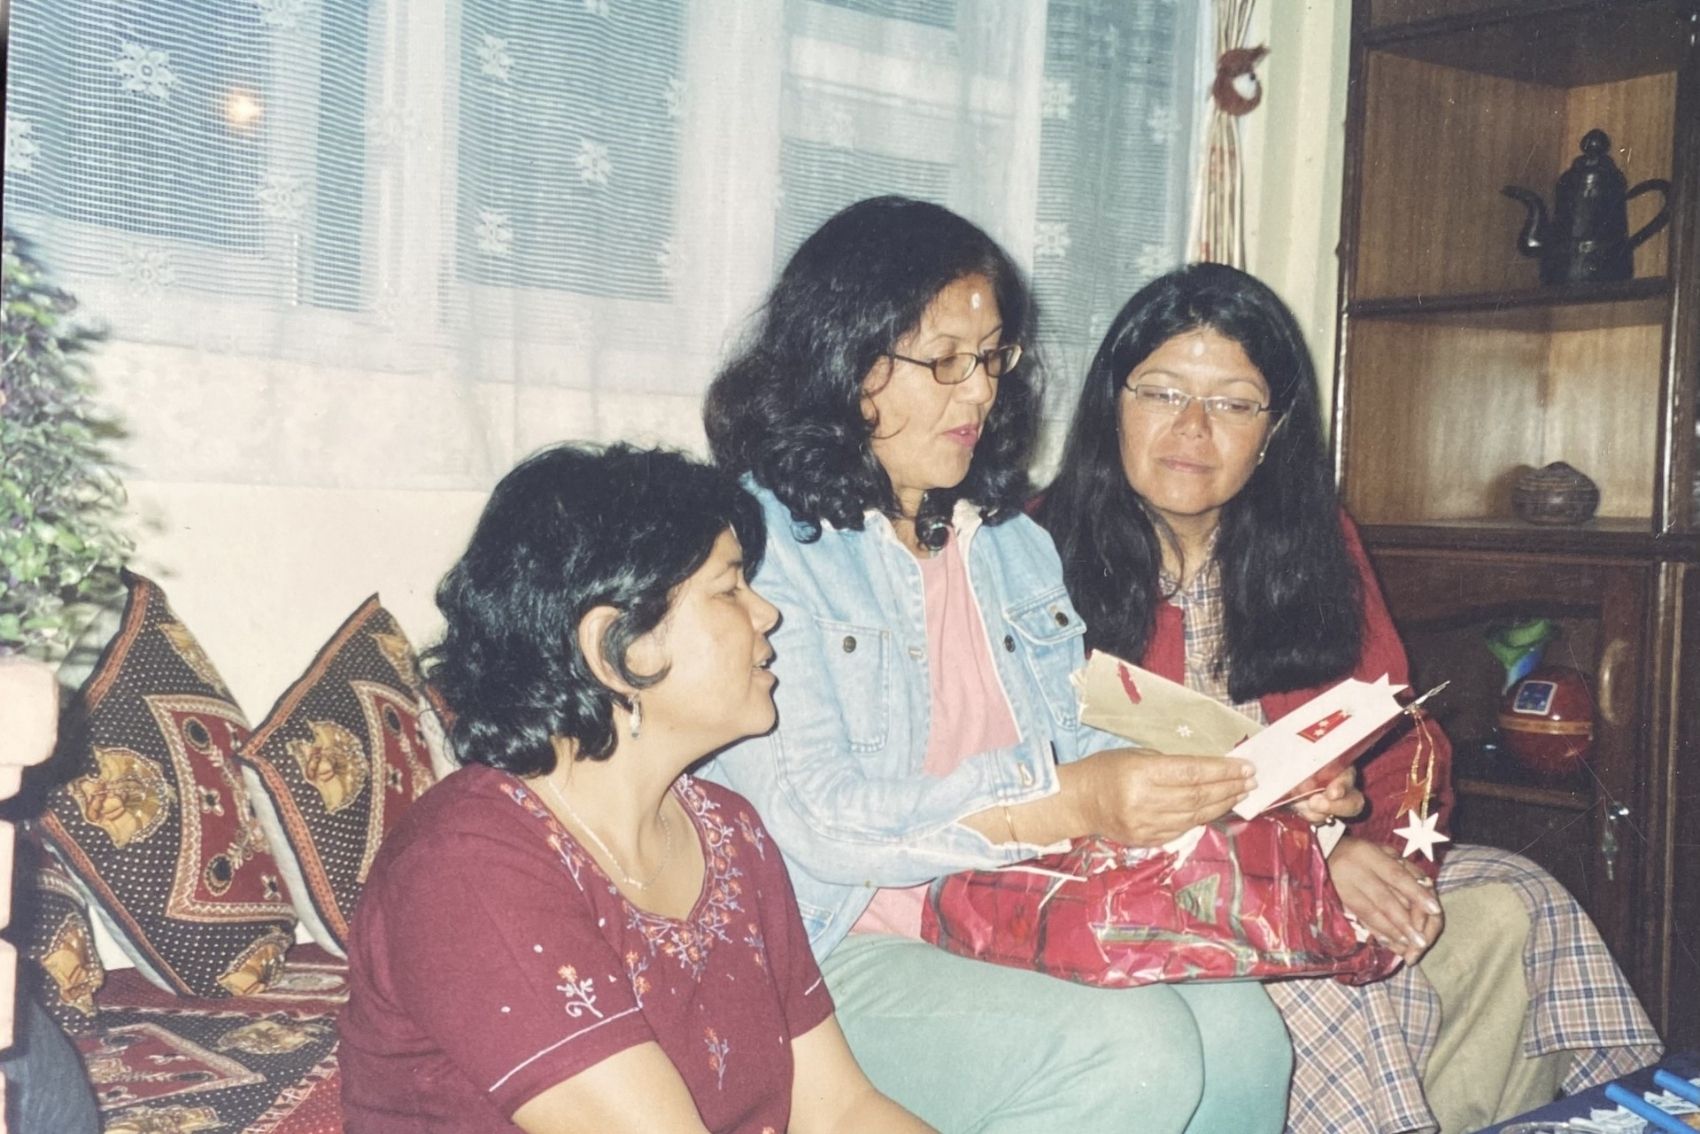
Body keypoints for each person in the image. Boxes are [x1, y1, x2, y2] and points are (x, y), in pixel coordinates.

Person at [701, 196, 1293, 1133]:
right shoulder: (761, 542)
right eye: (944, 362)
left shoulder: (1009, 542)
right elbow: (817, 820)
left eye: (991, 359)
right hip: (828, 947)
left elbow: (1075, 731)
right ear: (844, 359)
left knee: (1249, 1034)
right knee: (1137, 1056)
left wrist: (1249, 770)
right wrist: (1071, 799)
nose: (978, 393)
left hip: (1005, 907)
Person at [1036, 261, 1662, 1134]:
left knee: (1523, 899)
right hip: (1146, 894)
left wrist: (1366, 835)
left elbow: (1400, 738)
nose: (1191, 429)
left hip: (1308, 861)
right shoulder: (1029, 553)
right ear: (1113, 402)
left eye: (1233, 403)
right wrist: (1309, 852)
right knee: (1329, 990)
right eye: (1162, 391)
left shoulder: (1316, 543)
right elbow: (1047, 788)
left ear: (1275, 427)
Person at [339, 443, 932, 1134]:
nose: (767, 614)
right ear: (620, 647)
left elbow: (838, 1111)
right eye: (729, 588)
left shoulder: (729, 829)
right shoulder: (464, 868)